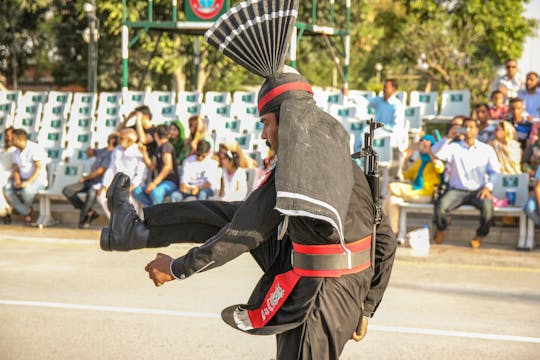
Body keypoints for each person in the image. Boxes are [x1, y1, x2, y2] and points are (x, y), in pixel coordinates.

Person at [99, 2, 396, 358]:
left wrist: (177, 268)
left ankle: (135, 232)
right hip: (341, 281)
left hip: (322, 295)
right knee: (232, 215)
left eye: (265, 124)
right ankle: (136, 228)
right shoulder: (342, 162)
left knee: (240, 225)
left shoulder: (297, 171)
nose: (263, 136)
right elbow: (385, 242)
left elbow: (241, 237)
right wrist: (366, 305)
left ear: (286, 122)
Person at [433, 117, 501, 248]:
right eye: (466, 127)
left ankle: (480, 235)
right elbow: (436, 152)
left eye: (472, 127)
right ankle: (441, 229)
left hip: (478, 190)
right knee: (441, 205)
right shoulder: (453, 147)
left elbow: (495, 171)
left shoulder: (486, 149)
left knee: (488, 209)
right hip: (456, 190)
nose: (468, 130)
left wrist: (488, 187)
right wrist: (448, 138)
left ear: (477, 130)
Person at [383, 134, 444, 235]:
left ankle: (379, 221)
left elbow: (440, 168)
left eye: (427, 143)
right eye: (422, 142)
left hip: (427, 193)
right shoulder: (419, 161)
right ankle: (394, 232)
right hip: (415, 192)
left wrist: (430, 152)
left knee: (393, 187)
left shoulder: (436, 159)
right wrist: (406, 160)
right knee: (392, 200)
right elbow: (405, 175)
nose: (423, 145)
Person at [62, 134, 117, 228]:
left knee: (91, 194)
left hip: (99, 183)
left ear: (112, 140)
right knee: (67, 190)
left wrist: (85, 178)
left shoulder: (113, 153)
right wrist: (87, 145)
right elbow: (89, 153)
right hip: (89, 181)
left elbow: (100, 171)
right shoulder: (103, 150)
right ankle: (90, 212)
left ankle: (83, 221)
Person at [97, 128, 148, 218]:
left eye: (121, 138)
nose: (119, 140)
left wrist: (131, 187)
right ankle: (114, 222)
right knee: (102, 196)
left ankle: (134, 225)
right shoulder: (117, 150)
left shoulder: (138, 151)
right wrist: (104, 185)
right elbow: (111, 169)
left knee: (130, 200)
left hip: (132, 185)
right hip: (117, 184)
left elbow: (141, 174)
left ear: (130, 140)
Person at [3, 128, 48, 225]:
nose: (11, 140)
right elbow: (16, 168)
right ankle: (26, 211)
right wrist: (17, 179)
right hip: (22, 179)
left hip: (37, 180)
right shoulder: (16, 152)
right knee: (7, 188)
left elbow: (38, 169)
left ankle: (28, 213)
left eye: (13, 138)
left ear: (20, 139)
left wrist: (27, 182)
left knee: (26, 190)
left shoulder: (35, 148)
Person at [133, 124, 179, 206]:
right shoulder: (158, 148)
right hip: (160, 182)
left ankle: (155, 214)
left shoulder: (167, 146)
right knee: (137, 191)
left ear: (156, 135)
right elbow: (152, 166)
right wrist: (144, 154)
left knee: (155, 193)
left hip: (170, 182)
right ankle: (154, 211)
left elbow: (168, 167)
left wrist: (154, 183)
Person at [367, 78, 407, 151]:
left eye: (386, 87)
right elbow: (366, 101)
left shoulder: (398, 106)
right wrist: (349, 96)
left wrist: (379, 126)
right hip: (377, 131)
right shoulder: (378, 100)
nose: (384, 89)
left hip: (390, 135)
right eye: (384, 87)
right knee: (365, 133)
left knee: (367, 135)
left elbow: (396, 127)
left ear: (393, 89)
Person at [0, 127, 15, 224]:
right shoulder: (1, 148)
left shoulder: (16, 150)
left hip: (8, 174)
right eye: (6, 135)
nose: (8, 138)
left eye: (10, 135)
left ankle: (3, 213)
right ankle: (5, 210)